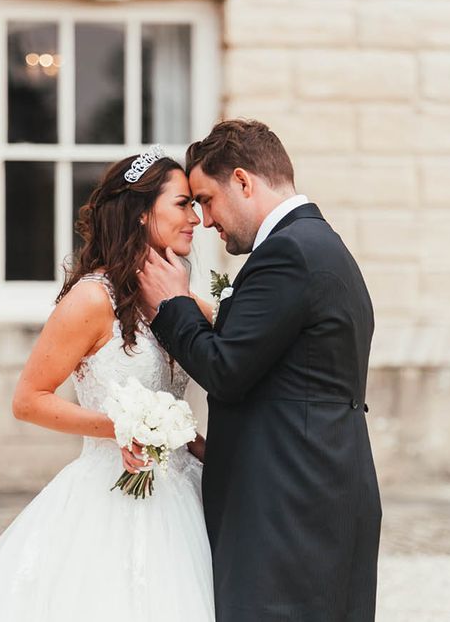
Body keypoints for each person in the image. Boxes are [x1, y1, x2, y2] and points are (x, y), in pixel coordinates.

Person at [0, 147, 215, 621]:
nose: (197, 217)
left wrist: (208, 449)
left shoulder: (186, 303)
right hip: (110, 495)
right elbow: (28, 400)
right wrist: (120, 428)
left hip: (184, 495)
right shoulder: (91, 299)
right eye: (183, 204)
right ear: (142, 212)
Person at [138, 119, 382, 622]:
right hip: (316, 488)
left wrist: (174, 305)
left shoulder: (288, 253)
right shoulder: (317, 242)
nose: (204, 220)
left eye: (205, 199)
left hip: (287, 504)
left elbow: (226, 369)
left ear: (244, 182)